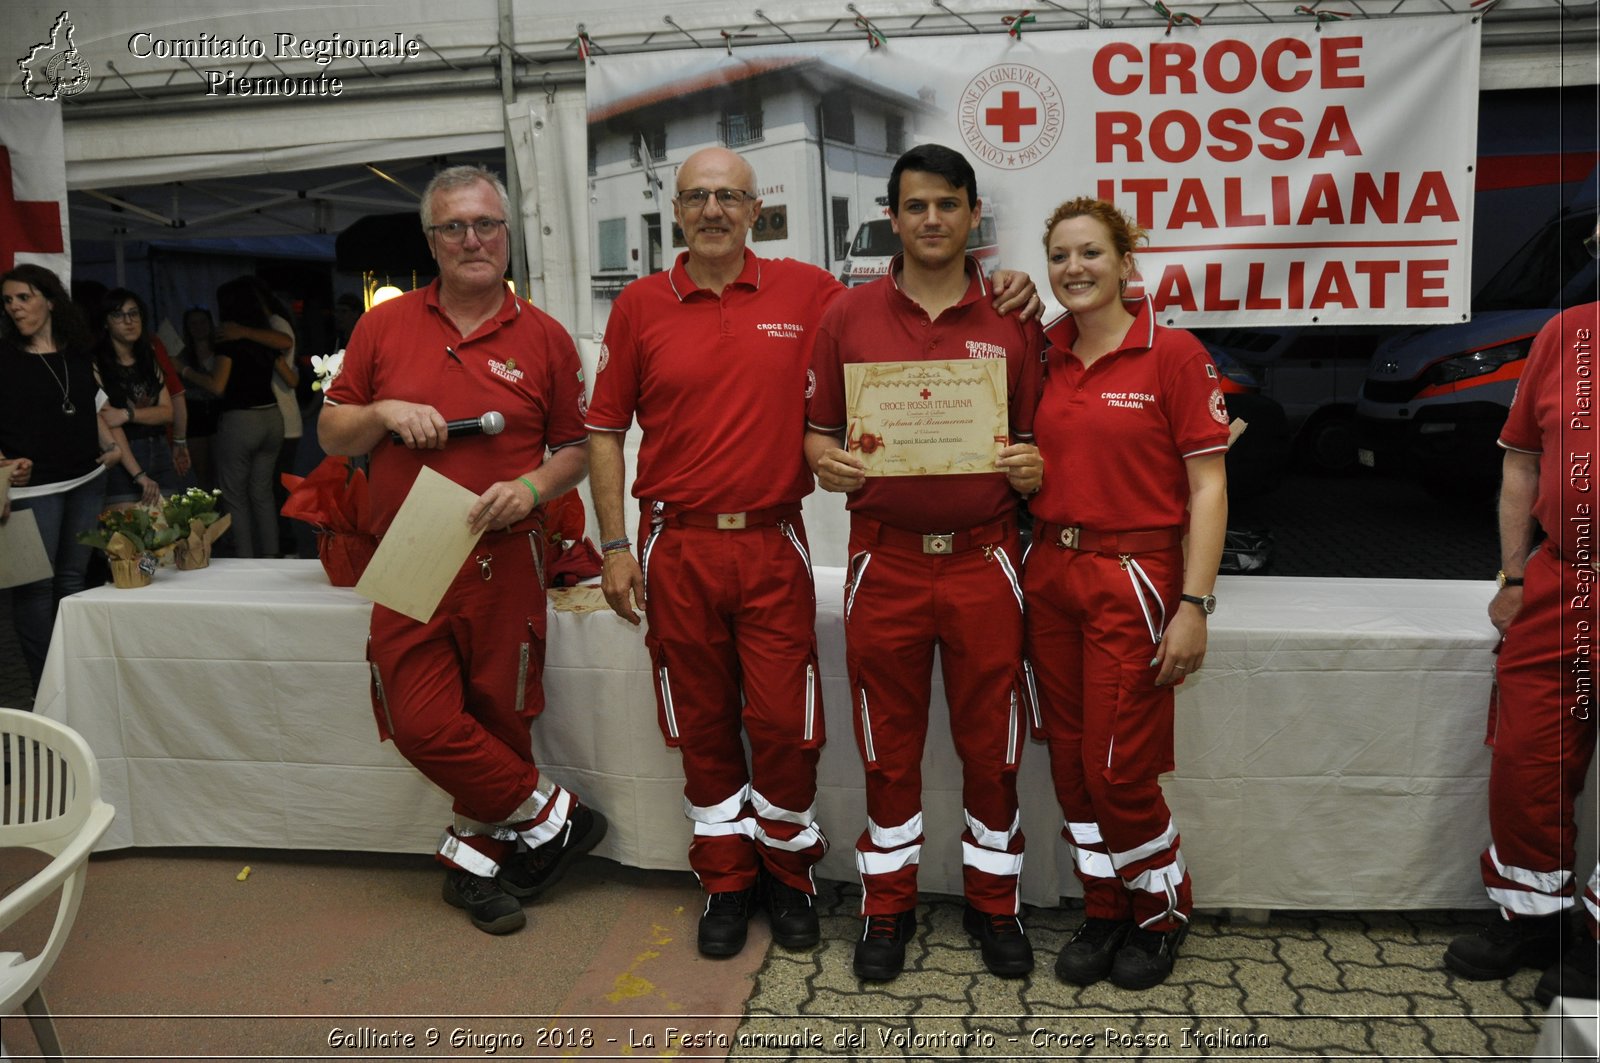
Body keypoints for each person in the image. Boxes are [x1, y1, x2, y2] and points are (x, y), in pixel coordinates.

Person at [586, 145, 1037, 959]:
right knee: (702, 723)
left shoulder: (819, 297)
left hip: (776, 538)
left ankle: (793, 879)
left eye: (731, 195)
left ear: (757, 208)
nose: (714, 209)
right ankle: (728, 881)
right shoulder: (640, 306)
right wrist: (613, 544)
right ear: (676, 212)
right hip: (675, 539)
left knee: (789, 726)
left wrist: (1016, 282)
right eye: (697, 197)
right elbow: (605, 431)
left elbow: (914, 340)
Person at [320, 164, 605, 935]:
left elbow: (576, 448)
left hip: (506, 551)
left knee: (501, 715)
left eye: (486, 224)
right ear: (432, 240)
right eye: (454, 227)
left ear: (507, 235)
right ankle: (558, 816)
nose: (472, 239)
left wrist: (533, 489)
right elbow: (331, 431)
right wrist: (379, 409)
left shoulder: (543, 336)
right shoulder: (384, 325)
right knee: (418, 719)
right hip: (413, 548)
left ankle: (474, 865)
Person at [804, 144, 1044, 981]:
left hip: (986, 560)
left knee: (995, 743)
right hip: (887, 562)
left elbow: (1048, 434)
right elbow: (820, 433)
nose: (932, 220)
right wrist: (824, 462)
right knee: (887, 745)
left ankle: (995, 905)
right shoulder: (847, 315)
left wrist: (1033, 463)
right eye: (916, 207)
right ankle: (886, 908)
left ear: (973, 213)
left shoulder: (1015, 315)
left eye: (948, 205)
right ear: (892, 216)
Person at [1025, 197, 1229, 991]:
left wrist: (1195, 603)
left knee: (1118, 767)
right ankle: (1106, 905)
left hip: (1134, 577)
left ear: (1125, 262)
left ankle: (1162, 910)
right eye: (1061, 256)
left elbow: (1208, 487)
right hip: (1050, 571)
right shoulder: (1042, 353)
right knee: (1073, 766)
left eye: (1091, 254)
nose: (1074, 269)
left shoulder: (1172, 354)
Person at [1442, 239, 1600, 1004]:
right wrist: (1512, 570)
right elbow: (1522, 462)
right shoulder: (1566, 335)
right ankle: (1537, 914)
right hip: (1562, 579)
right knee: (1528, 757)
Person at [0, 264, 123, 690]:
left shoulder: (77, 351)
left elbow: (91, 407)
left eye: (24, 297)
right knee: (34, 588)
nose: (15, 307)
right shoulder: (4, 356)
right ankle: (46, 686)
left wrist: (111, 449)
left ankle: (76, 679)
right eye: (9, 300)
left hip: (86, 480)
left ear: (50, 300)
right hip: (32, 490)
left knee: (74, 579)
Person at [180, 277, 294, 557]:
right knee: (262, 493)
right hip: (272, 419)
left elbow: (217, 386)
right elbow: (291, 379)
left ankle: (245, 562)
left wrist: (184, 372)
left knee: (235, 496)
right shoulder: (265, 339)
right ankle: (272, 557)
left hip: (240, 420)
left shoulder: (227, 343)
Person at [93, 288, 180, 508]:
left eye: (134, 313)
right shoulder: (96, 362)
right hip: (122, 457)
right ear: (105, 322)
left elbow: (168, 413)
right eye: (118, 315)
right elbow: (109, 422)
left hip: (159, 450)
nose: (129, 321)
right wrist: (138, 474)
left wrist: (127, 414)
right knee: (126, 537)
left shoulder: (147, 356)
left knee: (169, 533)